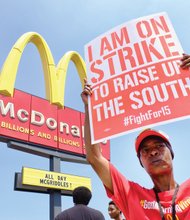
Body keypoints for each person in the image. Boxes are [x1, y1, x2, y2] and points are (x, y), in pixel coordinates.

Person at [81, 54, 190, 220]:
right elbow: (95, 158)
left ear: (171, 152)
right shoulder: (131, 195)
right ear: (141, 162)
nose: (153, 152)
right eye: (145, 151)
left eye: (159, 146)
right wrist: (91, 108)